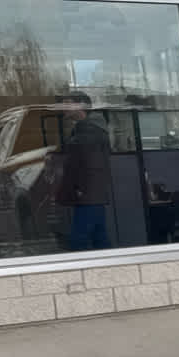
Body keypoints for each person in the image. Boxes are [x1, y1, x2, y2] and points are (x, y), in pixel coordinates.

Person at [56, 91, 112, 250]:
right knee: (99, 238)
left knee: (78, 241)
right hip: (92, 195)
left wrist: (80, 189)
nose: (63, 107)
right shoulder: (89, 129)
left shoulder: (89, 131)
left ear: (80, 106)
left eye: (67, 103)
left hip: (87, 195)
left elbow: (87, 165)